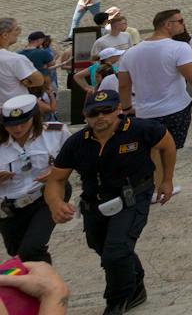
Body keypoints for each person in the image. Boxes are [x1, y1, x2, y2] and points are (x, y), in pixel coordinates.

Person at [43, 89, 175, 315]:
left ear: (118, 109)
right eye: (94, 113)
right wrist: (56, 203)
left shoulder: (141, 129)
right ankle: (136, 285)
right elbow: (56, 179)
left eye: (107, 110)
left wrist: (167, 180)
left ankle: (115, 303)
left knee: (116, 253)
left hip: (133, 197)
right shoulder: (77, 143)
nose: (100, 117)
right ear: (85, 115)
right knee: (103, 248)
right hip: (94, 204)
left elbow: (167, 144)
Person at [118, 9, 192, 150]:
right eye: (180, 21)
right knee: (171, 150)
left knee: (152, 151)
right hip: (175, 110)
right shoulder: (180, 47)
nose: (183, 24)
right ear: (168, 25)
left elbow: (124, 85)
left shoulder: (129, 53)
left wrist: (126, 108)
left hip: (145, 113)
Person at [0, 93, 66, 263]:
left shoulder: (55, 133)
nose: (17, 129)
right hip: (11, 207)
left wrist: (57, 173)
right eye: (11, 124)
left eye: (23, 122)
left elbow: (76, 160)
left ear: (34, 117)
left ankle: (47, 281)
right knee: (20, 256)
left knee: (31, 249)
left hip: (45, 196)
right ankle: (46, 280)